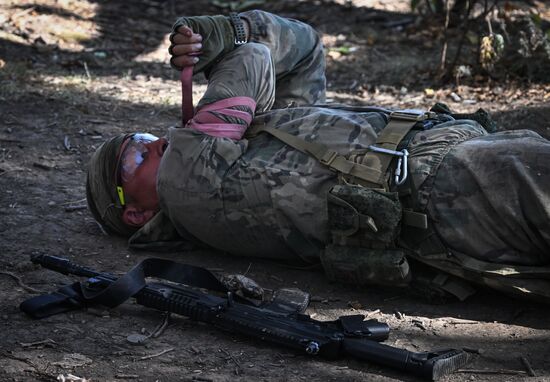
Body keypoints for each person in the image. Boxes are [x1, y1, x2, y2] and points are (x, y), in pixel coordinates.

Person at [86, 10, 550, 303]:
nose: (152, 143)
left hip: (456, 161)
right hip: (448, 187)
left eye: (143, 135)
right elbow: (250, 61)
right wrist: (222, 42)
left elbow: (304, 49)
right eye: (133, 156)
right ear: (135, 212)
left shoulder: (241, 147)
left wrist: (234, 29)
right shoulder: (186, 183)